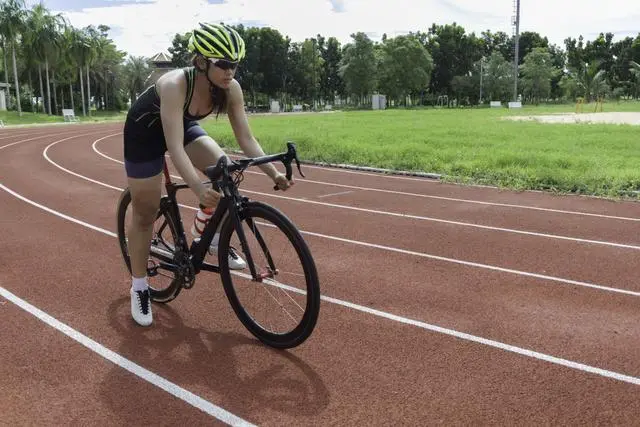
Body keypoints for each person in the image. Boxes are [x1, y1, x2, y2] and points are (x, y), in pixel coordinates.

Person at [122, 22, 294, 327]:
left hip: (181, 126)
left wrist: (273, 173)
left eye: (236, 65)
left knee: (224, 167)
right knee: (145, 212)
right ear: (201, 62)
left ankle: (208, 234)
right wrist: (198, 190)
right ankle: (139, 287)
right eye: (224, 64)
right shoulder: (176, 85)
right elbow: (174, 148)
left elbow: (246, 139)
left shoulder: (230, 89)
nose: (231, 72)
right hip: (145, 133)